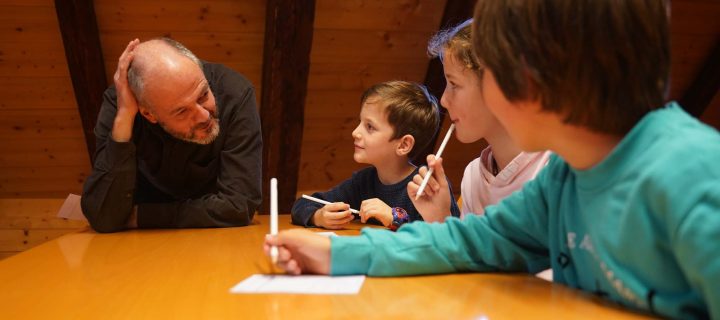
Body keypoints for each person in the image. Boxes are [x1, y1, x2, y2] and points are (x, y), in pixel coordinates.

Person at [265, 1, 720, 318]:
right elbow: (466, 243)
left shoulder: (694, 177)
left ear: (536, 79)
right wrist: (338, 252)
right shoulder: (565, 175)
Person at [81, 38, 263, 233]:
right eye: (182, 111)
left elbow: (239, 205)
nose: (204, 115)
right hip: (140, 246)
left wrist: (141, 216)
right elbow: (102, 216)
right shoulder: (122, 106)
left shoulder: (235, 93)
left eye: (203, 95)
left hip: (215, 239)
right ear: (148, 114)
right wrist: (124, 118)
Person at [412, 19, 551, 223]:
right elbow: (469, 256)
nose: (443, 100)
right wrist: (439, 219)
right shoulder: (473, 177)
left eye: (453, 84)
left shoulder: (553, 172)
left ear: (498, 87)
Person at [291, 81, 461, 230]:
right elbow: (302, 203)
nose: (355, 132)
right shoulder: (362, 182)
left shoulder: (427, 184)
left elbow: (448, 235)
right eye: (360, 122)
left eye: (370, 127)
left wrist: (394, 218)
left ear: (403, 145)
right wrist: (319, 216)